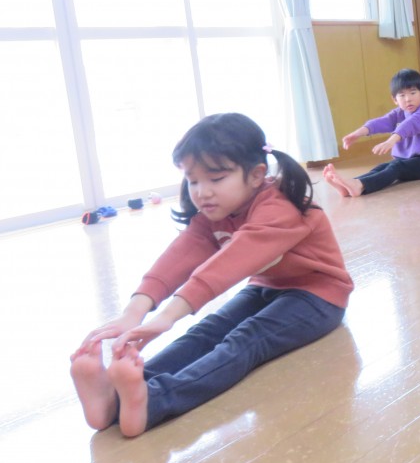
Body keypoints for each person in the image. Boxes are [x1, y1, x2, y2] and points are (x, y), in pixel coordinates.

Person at [69, 113, 353, 437]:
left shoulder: (280, 207)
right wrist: (134, 312)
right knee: (207, 330)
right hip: (266, 286)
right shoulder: (215, 212)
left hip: (319, 295)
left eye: (216, 179)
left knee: (247, 338)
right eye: (193, 181)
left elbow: (227, 265)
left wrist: (168, 316)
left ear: (256, 175)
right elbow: (177, 259)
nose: (202, 192)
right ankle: (115, 398)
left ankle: (155, 401)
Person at [324, 68, 420, 197]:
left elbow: (410, 125)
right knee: (382, 167)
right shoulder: (399, 113)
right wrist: (358, 133)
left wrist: (391, 141)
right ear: (395, 99)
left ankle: (360, 186)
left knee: (396, 167)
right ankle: (351, 185)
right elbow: (382, 122)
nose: (408, 99)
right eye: (402, 95)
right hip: (407, 161)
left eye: (413, 93)